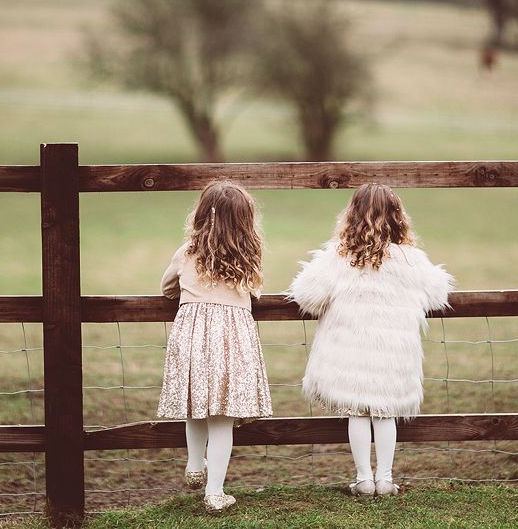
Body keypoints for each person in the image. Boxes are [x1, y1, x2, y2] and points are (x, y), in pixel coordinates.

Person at [288, 183, 453, 496]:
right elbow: (437, 292)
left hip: (351, 349)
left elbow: (307, 295)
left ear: (351, 215)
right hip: (393, 352)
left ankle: (364, 478)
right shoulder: (411, 260)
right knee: (385, 411)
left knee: (357, 412)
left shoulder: (338, 258)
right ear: (398, 217)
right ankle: (386, 478)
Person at [157, 180, 272, 513]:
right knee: (222, 416)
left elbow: (167, 288)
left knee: (195, 402)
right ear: (245, 219)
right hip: (231, 340)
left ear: (201, 214)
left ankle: (195, 464)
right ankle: (215, 492)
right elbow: (256, 293)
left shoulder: (187, 252)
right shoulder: (249, 255)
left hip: (192, 335)